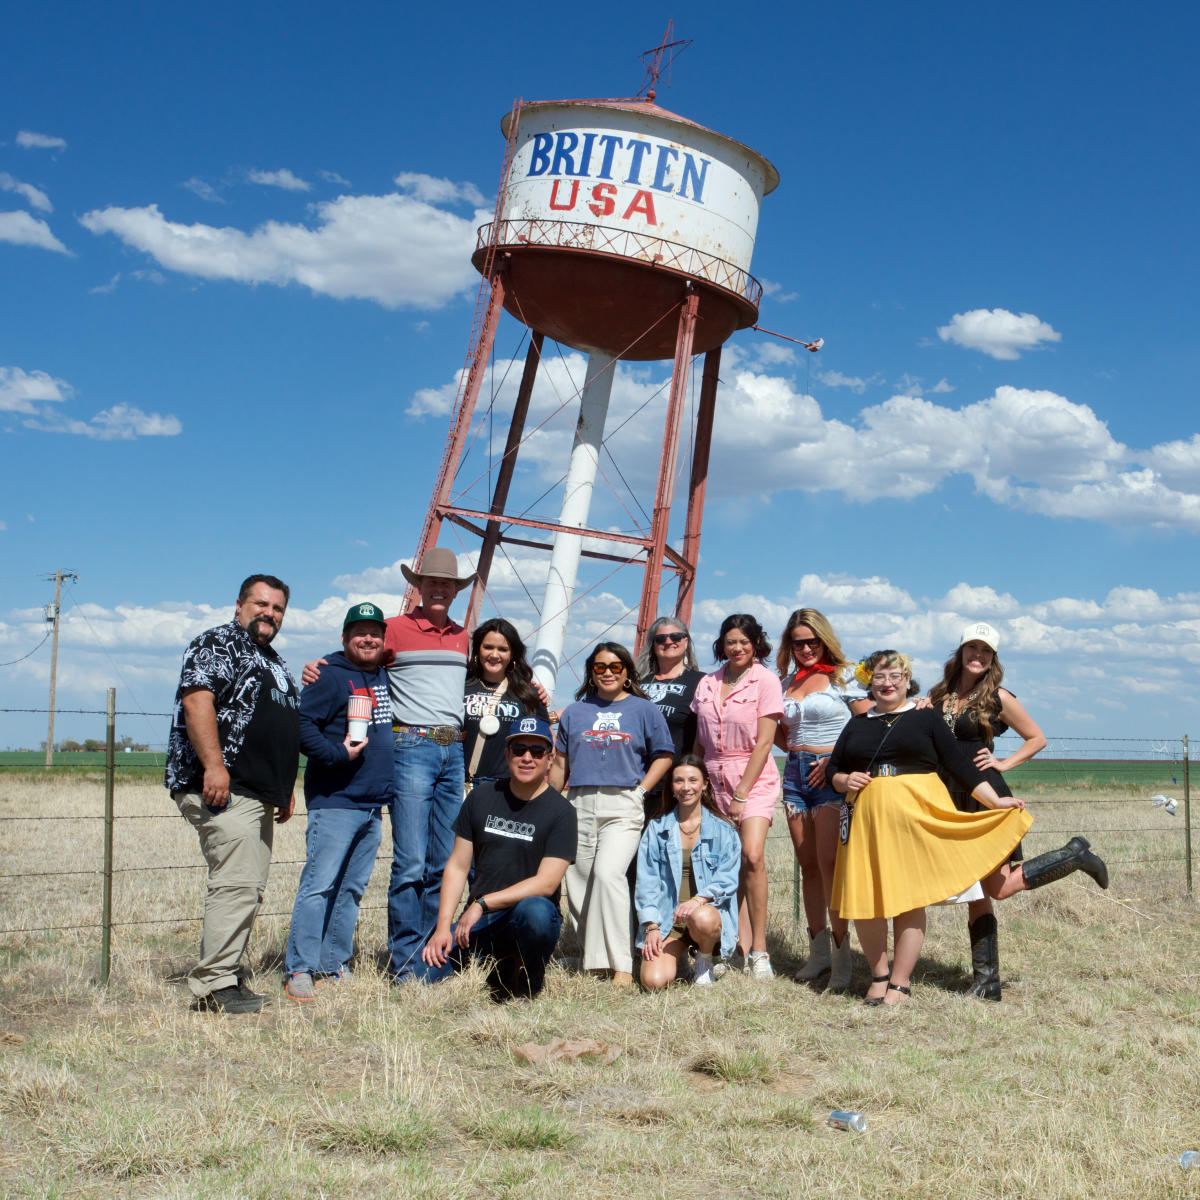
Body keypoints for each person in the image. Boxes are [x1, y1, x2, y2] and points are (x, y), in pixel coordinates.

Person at [828, 650, 1108, 1007]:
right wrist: (843, 779)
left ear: (906, 680)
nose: (887, 683)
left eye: (895, 676)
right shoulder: (872, 718)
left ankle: (905, 983)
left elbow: (967, 761)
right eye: (880, 677)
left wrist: (997, 794)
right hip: (886, 815)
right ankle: (891, 978)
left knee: (961, 891)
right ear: (870, 681)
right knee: (881, 899)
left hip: (935, 808)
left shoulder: (950, 710)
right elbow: (835, 770)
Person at [303, 545, 474, 982]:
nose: (440, 589)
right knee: (412, 862)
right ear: (418, 586)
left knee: (445, 861)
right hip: (411, 744)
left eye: (447, 584)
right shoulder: (393, 630)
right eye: (432, 581)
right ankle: (405, 963)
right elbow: (354, 656)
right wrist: (316, 668)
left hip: (452, 749)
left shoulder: (462, 635)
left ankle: (435, 959)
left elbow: (483, 679)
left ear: (456, 591)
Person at [164, 574, 300, 1014]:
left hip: (259, 793)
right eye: (261, 604)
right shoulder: (218, 643)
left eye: (277, 608)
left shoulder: (273, 660)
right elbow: (197, 702)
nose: (270, 614)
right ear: (239, 604)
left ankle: (226, 975)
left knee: (247, 887)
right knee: (235, 884)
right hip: (223, 788)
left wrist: (285, 787)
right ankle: (212, 988)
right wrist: (214, 766)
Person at [925, 621, 1047, 1001]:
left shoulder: (998, 697)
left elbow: (1037, 738)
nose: (978, 656)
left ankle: (1074, 855)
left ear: (993, 658)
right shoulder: (939, 695)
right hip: (950, 798)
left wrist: (1004, 764)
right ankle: (987, 983)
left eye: (986, 651)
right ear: (960, 652)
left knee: (998, 886)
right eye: (971, 649)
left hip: (985, 795)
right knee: (974, 888)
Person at [421, 716, 576, 1000]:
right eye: (519, 750)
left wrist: (482, 903)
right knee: (423, 975)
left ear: (549, 758)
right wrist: (443, 927)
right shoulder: (482, 797)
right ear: (506, 755)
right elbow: (457, 866)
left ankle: (531, 975)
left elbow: (546, 883)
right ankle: (500, 963)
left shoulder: (562, 812)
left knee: (536, 913)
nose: (527, 757)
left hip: (526, 916)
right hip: (483, 921)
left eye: (537, 751)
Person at [284, 602, 393, 1001]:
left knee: (350, 889)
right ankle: (299, 968)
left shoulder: (382, 672)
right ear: (345, 638)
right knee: (320, 885)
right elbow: (299, 725)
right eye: (359, 632)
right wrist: (334, 755)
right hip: (335, 800)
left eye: (375, 633)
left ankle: (333, 963)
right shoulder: (329, 677)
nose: (368, 639)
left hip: (372, 803)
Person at [549, 642, 674, 986]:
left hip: (624, 804)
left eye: (616, 667)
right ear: (591, 672)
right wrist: (549, 803)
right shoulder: (574, 712)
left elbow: (663, 755)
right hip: (578, 801)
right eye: (601, 667)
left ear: (627, 673)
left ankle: (621, 965)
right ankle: (594, 961)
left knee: (608, 875)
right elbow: (561, 763)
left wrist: (640, 791)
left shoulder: (644, 710)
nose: (608, 673)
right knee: (579, 882)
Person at [774, 608, 870, 991]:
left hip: (830, 774)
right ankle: (817, 955)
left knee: (831, 867)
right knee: (808, 866)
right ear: (790, 645)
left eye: (813, 641)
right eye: (798, 643)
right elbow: (778, 730)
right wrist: (793, 751)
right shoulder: (785, 682)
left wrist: (835, 759)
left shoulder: (843, 678)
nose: (806, 649)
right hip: (795, 774)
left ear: (825, 640)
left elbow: (866, 725)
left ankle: (842, 957)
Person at [690, 614, 784, 978]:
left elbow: (765, 743)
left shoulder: (766, 682)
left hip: (753, 775)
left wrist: (742, 792)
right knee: (723, 865)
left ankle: (760, 950)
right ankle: (730, 946)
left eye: (745, 642)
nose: (738, 648)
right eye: (731, 641)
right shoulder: (708, 683)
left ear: (756, 643)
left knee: (753, 855)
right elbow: (700, 739)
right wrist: (697, 779)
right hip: (712, 776)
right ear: (722, 644)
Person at [635, 755, 740, 990]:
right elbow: (646, 883)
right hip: (668, 919)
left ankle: (704, 960)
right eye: (678, 781)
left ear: (704, 784)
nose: (686, 787)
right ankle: (678, 958)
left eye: (693, 780)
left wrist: (697, 900)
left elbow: (728, 879)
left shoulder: (725, 831)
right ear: (671, 788)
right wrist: (651, 926)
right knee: (653, 982)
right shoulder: (656, 829)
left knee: (702, 917)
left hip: (705, 917)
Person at [463, 617, 548, 793]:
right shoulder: (461, 686)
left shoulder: (528, 694)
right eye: (488, 647)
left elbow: (543, 742)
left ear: (512, 654)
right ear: (478, 649)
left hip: (506, 787)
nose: (494, 655)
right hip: (459, 784)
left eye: (503, 649)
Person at [634, 616, 705, 819]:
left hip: (676, 783)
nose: (668, 641)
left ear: (685, 641)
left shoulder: (701, 681)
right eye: (660, 638)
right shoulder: (636, 683)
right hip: (634, 779)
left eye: (675, 636)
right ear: (653, 645)